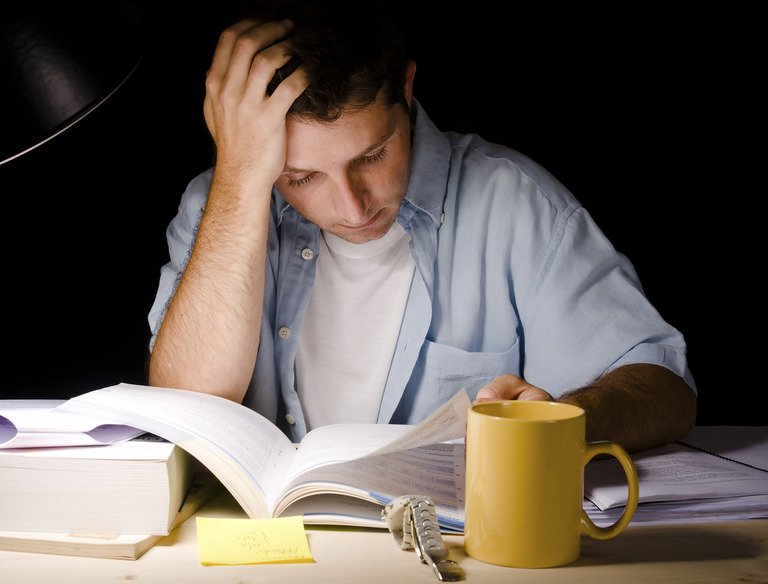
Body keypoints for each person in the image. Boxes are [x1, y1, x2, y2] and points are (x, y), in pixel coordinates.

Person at [147, 1, 696, 453]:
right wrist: (240, 176)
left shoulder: (515, 202)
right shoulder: (216, 209)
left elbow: (664, 390)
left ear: (407, 89)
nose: (353, 208)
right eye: (302, 177)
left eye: (371, 156)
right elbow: (188, 407)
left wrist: (563, 419)